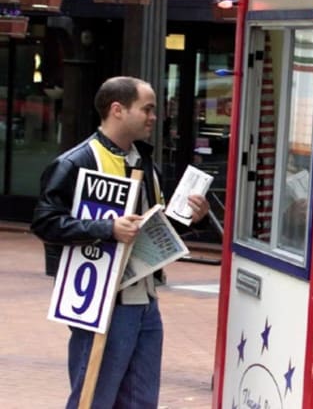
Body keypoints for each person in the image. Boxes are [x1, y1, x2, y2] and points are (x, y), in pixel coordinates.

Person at [31, 76, 210, 408]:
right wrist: (107, 228)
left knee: (140, 400)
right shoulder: (76, 161)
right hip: (101, 301)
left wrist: (187, 218)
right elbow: (45, 221)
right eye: (147, 109)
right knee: (93, 397)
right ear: (117, 110)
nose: (154, 117)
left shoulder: (144, 162)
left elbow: (152, 227)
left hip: (144, 301)